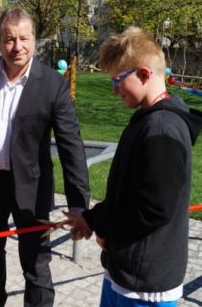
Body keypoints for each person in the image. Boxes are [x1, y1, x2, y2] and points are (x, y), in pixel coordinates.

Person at [0, 7, 90, 307]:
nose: (17, 47)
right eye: (9, 39)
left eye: (24, 39)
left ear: (35, 40)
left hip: (33, 187)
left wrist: (79, 205)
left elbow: (71, 147)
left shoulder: (53, 85)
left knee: (36, 262)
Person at [66, 26, 202, 307]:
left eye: (118, 80)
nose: (115, 90)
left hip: (145, 286)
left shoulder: (163, 129)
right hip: (125, 272)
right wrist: (91, 219)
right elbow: (128, 195)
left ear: (143, 74)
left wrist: (105, 229)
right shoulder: (147, 119)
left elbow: (153, 209)